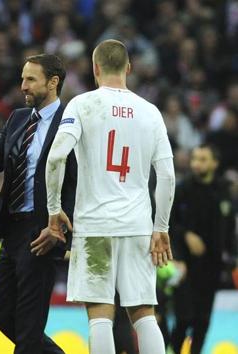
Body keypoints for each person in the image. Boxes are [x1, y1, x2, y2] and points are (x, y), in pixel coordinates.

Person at [45, 39, 175, 354]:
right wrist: (162, 227)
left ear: (95, 68)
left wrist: (53, 209)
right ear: (129, 68)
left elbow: (55, 158)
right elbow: (168, 176)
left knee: (100, 314)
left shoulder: (82, 105)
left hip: (95, 225)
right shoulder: (150, 112)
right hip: (138, 225)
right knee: (144, 314)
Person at [0, 54, 77, 354]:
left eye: (31, 79)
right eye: (22, 78)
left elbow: (79, 182)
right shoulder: (18, 119)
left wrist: (63, 227)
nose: (23, 86)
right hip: (12, 231)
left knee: (28, 328)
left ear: (53, 82)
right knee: (2, 315)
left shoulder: (71, 123)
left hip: (43, 232)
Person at [169, 144, 236, 354]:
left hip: (212, 267)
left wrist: (232, 257)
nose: (197, 163)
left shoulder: (224, 191)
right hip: (184, 265)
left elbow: (230, 229)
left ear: (215, 163)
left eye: (203, 159)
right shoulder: (183, 189)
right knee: (184, 317)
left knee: (203, 320)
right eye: (195, 158)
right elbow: (168, 223)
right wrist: (186, 235)